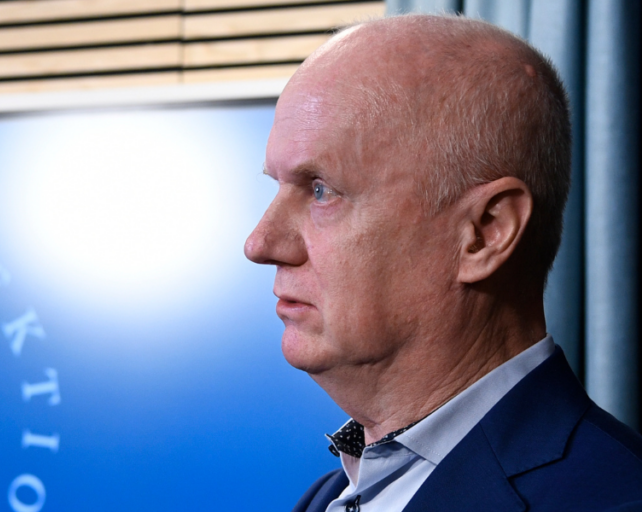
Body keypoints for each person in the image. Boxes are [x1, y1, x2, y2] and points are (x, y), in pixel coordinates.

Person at [244, 14, 642, 512]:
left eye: (322, 190)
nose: (260, 244)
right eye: (277, 186)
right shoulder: (327, 497)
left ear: (486, 232)